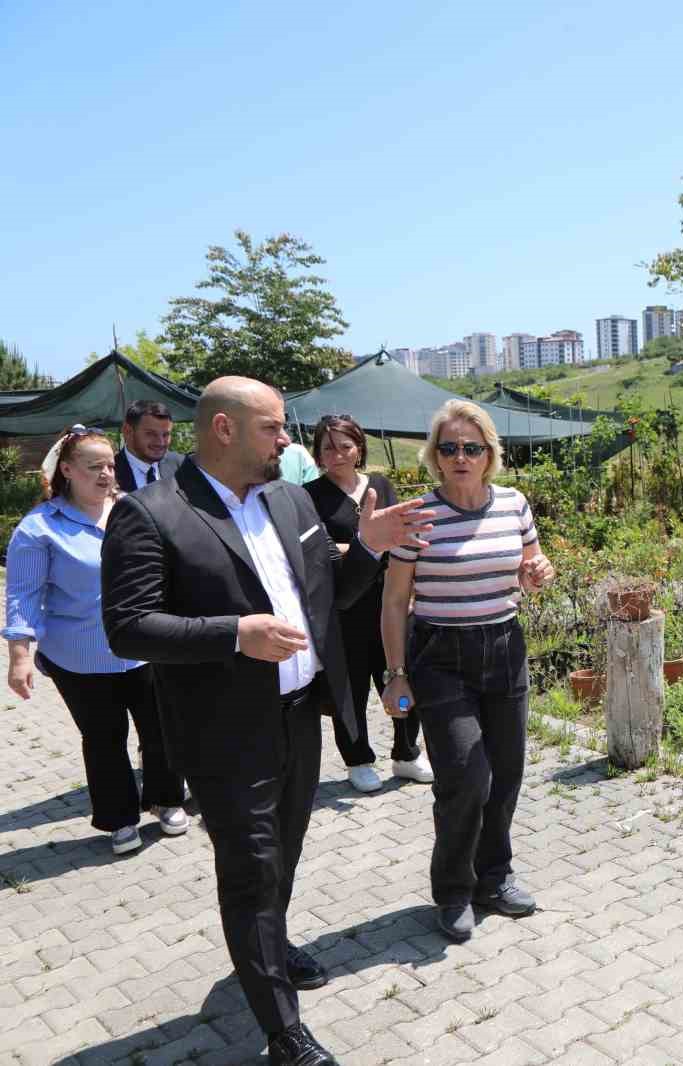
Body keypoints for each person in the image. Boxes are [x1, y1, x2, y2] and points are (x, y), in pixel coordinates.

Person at [101, 378, 434, 1066]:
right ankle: (283, 1031)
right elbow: (128, 628)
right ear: (224, 429)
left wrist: (368, 550)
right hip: (222, 730)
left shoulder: (288, 498)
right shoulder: (151, 513)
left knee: (283, 851)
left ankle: (268, 947)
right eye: (274, 428)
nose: (287, 440)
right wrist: (232, 633)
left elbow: (326, 599)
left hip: (298, 716)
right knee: (251, 868)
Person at [380, 399, 554, 943]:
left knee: (505, 773)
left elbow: (532, 567)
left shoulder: (514, 504)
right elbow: (393, 601)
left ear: (489, 454)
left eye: (471, 447)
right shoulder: (418, 518)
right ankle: (453, 888)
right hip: (441, 658)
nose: (460, 456)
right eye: (449, 447)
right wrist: (395, 674)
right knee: (465, 777)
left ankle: (494, 878)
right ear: (434, 455)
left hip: (504, 646)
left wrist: (538, 572)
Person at [4, 425, 186, 854]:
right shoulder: (39, 529)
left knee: (160, 728)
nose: (105, 474)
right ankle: (120, 819)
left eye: (109, 465)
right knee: (104, 739)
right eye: (93, 467)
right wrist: (19, 657)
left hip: (145, 647)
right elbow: (23, 597)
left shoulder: (133, 510)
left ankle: (166, 799)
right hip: (81, 657)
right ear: (66, 470)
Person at [303, 414, 431, 793]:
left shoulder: (380, 485)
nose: (338, 454)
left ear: (359, 448)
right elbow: (317, 553)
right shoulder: (309, 496)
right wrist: (369, 545)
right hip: (344, 611)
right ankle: (357, 759)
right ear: (318, 454)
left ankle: (407, 752)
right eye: (328, 447)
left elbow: (401, 539)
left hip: (390, 604)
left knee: (401, 676)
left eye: (345, 445)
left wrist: (364, 549)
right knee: (351, 690)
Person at [114, 399, 183, 492]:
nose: (160, 442)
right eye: (151, 434)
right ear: (127, 431)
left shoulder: (181, 466)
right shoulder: (109, 472)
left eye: (165, 435)